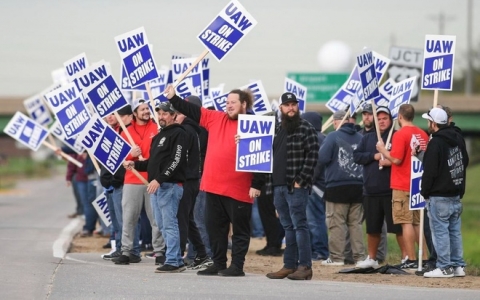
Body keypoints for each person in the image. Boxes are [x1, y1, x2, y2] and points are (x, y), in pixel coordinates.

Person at [165, 85, 262, 277]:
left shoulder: (253, 124)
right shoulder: (216, 118)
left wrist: (257, 184)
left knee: (240, 230)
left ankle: (237, 266)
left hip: (239, 188)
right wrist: (174, 98)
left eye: (233, 102)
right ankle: (218, 263)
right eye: (227, 102)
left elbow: (263, 155)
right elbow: (192, 110)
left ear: (244, 104)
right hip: (214, 185)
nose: (229, 105)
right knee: (215, 228)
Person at [126, 102, 188, 273]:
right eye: (159, 113)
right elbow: (152, 164)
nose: (161, 116)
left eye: (165, 114)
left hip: (168, 186)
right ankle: (175, 259)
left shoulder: (178, 134)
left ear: (173, 115)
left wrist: (159, 180)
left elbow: (176, 161)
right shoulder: (159, 136)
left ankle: (174, 261)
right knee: (161, 225)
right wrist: (135, 164)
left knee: (169, 224)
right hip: (157, 187)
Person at [265, 92, 319, 281]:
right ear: (281, 108)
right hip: (278, 186)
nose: (291, 108)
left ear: (297, 107)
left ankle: (304, 266)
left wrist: (301, 180)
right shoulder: (278, 128)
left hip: (295, 186)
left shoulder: (306, 127)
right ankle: (289, 265)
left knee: (299, 226)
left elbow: (313, 155)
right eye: (287, 105)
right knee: (287, 227)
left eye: (293, 104)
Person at [376, 104, 429, 268]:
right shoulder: (423, 134)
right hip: (418, 183)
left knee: (405, 222)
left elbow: (397, 159)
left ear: (399, 117)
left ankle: (411, 259)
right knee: (417, 223)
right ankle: (425, 258)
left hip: (402, 184)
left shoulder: (400, 134)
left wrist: (383, 150)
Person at [114, 99, 165, 265]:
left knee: (156, 219)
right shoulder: (125, 132)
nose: (146, 112)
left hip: (151, 180)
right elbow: (121, 159)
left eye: (147, 109)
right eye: (142, 109)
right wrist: (131, 153)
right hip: (131, 181)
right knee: (129, 218)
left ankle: (160, 251)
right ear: (134, 113)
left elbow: (159, 153)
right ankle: (126, 251)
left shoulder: (157, 128)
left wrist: (140, 150)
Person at [420, 108, 469, 278]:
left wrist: (424, 191)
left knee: (440, 232)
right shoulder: (458, 138)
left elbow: (429, 171)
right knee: (454, 231)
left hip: (439, 196)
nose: (428, 124)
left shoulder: (435, 143)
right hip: (455, 194)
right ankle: (458, 266)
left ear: (434, 124)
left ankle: (444, 267)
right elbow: (465, 162)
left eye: (429, 121)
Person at [353, 106, 403, 268]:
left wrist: (389, 161)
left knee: (397, 227)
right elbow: (357, 156)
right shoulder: (367, 138)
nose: (381, 122)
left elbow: (402, 159)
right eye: (379, 119)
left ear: (391, 120)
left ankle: (405, 258)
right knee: (372, 228)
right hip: (371, 190)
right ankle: (372, 258)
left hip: (392, 190)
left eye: (385, 118)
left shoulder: (396, 137)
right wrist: (373, 156)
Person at [318, 110, 365, 266]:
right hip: (358, 186)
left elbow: (322, 158)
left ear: (337, 121)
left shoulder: (333, 136)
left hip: (337, 187)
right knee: (355, 224)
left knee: (336, 223)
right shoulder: (361, 137)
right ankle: (359, 257)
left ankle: (337, 257)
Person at [174, 103, 213, 270]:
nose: (175, 116)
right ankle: (201, 254)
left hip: (190, 180)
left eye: (178, 113)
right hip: (194, 179)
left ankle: (178, 256)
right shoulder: (193, 130)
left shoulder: (187, 131)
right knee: (189, 220)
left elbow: (181, 158)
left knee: (185, 219)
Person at [99, 107, 131, 259]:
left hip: (120, 182)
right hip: (109, 183)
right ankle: (118, 247)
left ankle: (126, 249)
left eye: (113, 113)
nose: (110, 117)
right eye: (107, 114)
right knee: (115, 221)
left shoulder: (123, 132)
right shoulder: (106, 133)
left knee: (123, 219)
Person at [301, 111, 329, 261]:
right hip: (321, 185)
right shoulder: (323, 137)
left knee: (314, 220)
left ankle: (320, 251)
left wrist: (308, 181)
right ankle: (316, 250)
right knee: (315, 219)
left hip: (315, 185)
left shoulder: (314, 138)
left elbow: (315, 163)